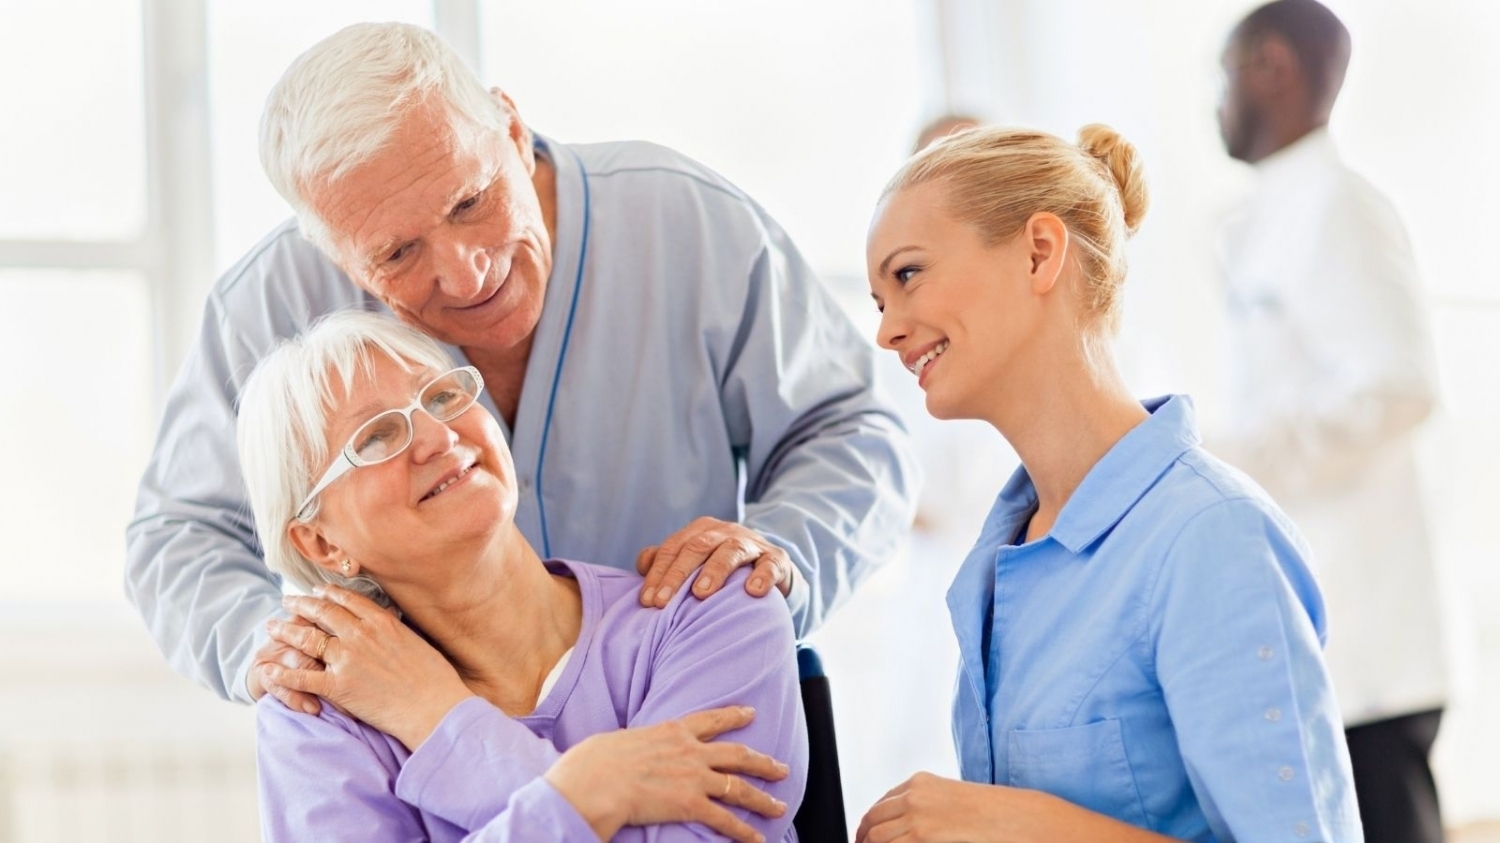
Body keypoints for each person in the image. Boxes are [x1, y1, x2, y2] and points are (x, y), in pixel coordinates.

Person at [124, 22, 917, 717]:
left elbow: (853, 431)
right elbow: (179, 536)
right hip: (421, 769)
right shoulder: (269, 306)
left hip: (688, 710)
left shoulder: (687, 223)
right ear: (332, 252)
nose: (467, 273)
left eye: (471, 202)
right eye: (398, 254)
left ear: (510, 126)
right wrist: (277, 648)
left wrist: (778, 553)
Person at [855, 124, 1361, 842]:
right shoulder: (1003, 559)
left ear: (1040, 252)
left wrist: (1018, 824)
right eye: (879, 301)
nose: (887, 332)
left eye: (907, 275)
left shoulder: (1212, 538)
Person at [239, 310, 807, 841]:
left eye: (440, 397)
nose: (440, 437)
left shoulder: (718, 605)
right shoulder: (317, 715)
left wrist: (436, 718)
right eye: (376, 437)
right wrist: (582, 793)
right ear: (322, 542)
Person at [1215, 3, 1447, 840]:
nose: (1217, 103)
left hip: (1371, 645)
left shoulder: (1340, 207)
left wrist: (1234, 459)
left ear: (1273, 67)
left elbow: (1399, 387)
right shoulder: (1267, 218)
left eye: (1225, 75)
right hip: (1315, 631)